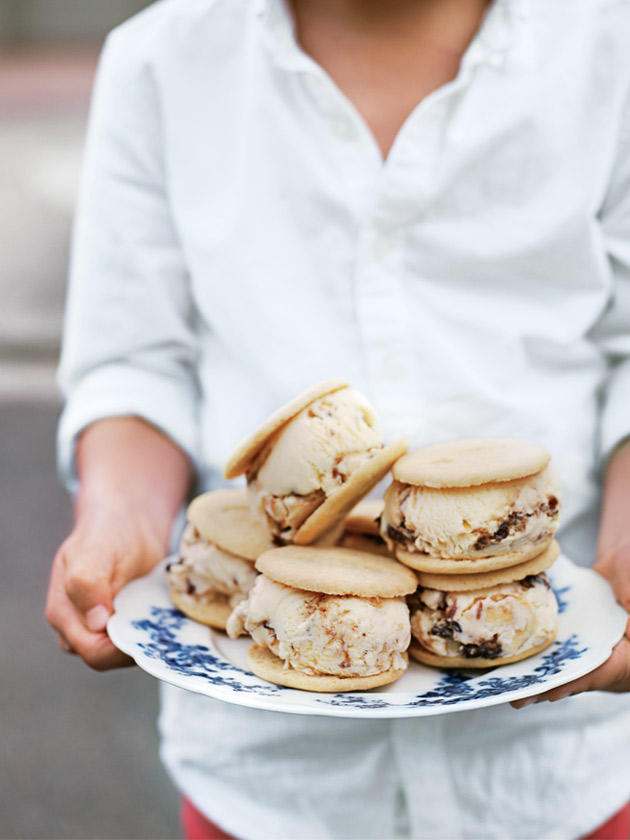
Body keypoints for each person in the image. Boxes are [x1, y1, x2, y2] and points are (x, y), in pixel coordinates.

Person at [46, 0, 630, 837]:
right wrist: (118, 517)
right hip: (263, 776)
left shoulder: (610, 45)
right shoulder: (161, 61)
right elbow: (136, 361)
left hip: (557, 766)